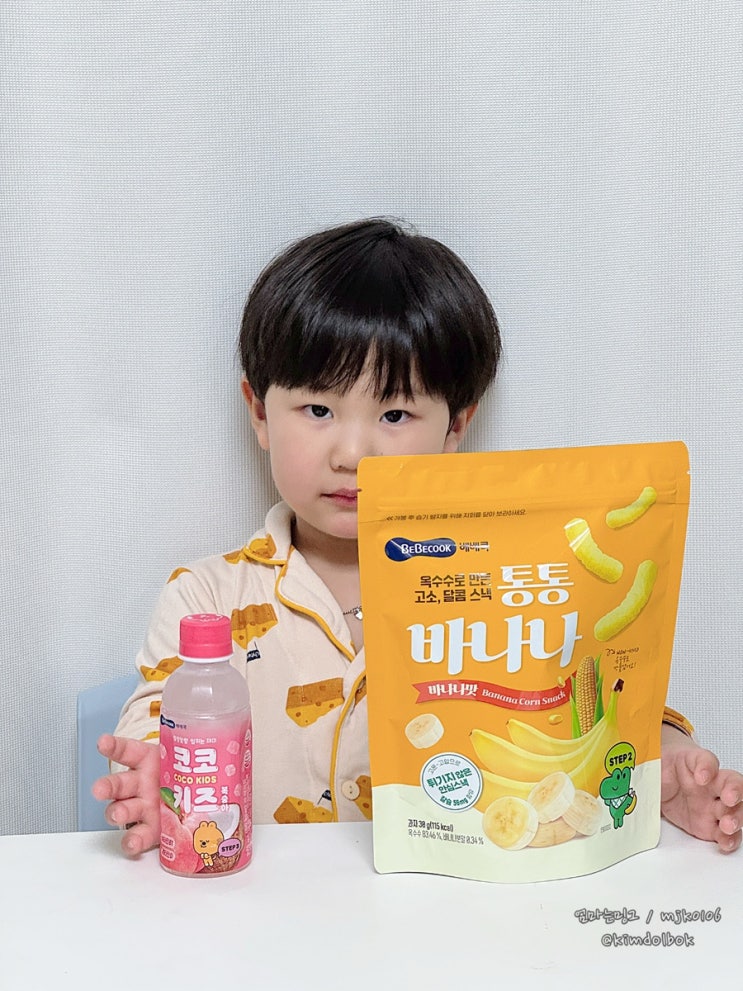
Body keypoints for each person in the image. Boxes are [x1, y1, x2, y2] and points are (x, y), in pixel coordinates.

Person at [93, 217, 742, 857]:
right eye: (318, 409)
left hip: (441, 907)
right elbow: (155, 713)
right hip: (260, 907)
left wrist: (666, 765)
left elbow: (590, 703)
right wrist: (152, 772)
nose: (353, 454)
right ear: (260, 412)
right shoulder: (206, 596)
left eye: (395, 413)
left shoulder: (505, 587)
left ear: (455, 427)